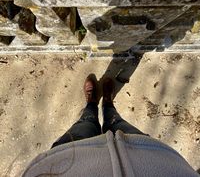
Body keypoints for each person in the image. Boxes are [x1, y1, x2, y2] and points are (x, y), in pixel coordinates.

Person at [22, 75, 199, 177]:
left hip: (65, 159)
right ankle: (107, 103)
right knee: (117, 122)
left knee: (86, 123)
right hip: (151, 154)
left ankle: (92, 104)